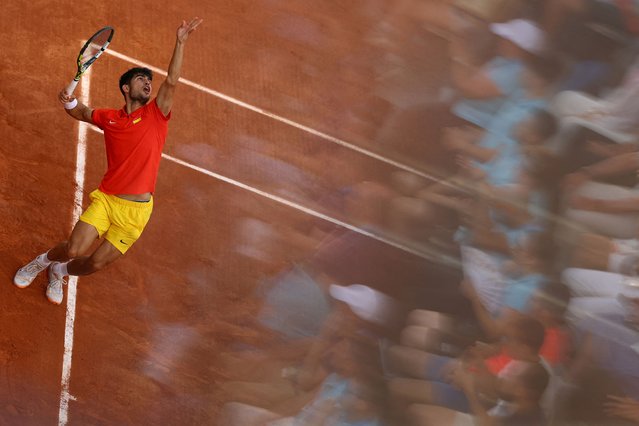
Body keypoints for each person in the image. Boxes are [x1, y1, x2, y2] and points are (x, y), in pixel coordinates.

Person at [13, 18, 203, 304]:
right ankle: (39, 262)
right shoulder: (111, 118)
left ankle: (58, 271)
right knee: (76, 247)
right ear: (126, 88)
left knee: (95, 264)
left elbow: (172, 81)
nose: (148, 83)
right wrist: (68, 101)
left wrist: (180, 42)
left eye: (149, 80)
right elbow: (82, 112)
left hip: (137, 214)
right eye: (141, 79)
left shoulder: (156, 115)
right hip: (108, 200)